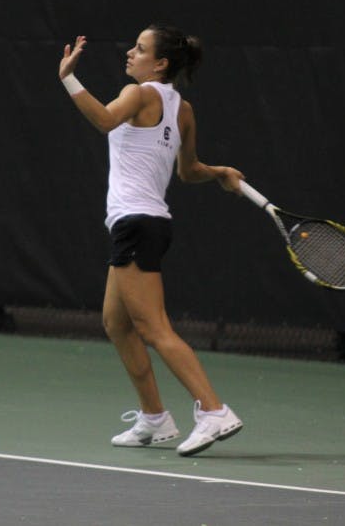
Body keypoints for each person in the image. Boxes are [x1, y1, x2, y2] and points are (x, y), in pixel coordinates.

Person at [57, 24, 244, 457]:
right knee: (116, 323)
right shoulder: (183, 109)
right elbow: (189, 170)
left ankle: (214, 410)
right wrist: (219, 172)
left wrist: (68, 78)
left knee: (154, 328)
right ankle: (155, 417)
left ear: (160, 63)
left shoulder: (138, 94)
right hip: (148, 224)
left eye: (140, 49)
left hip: (136, 224)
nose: (130, 53)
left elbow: (105, 120)